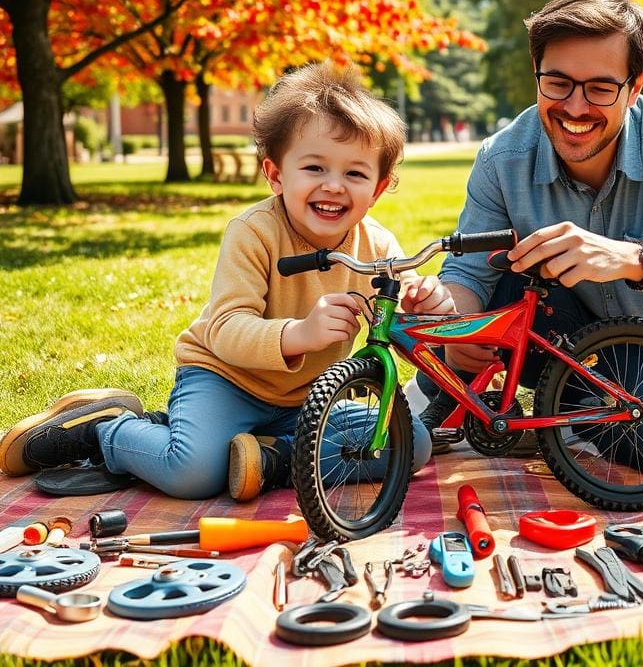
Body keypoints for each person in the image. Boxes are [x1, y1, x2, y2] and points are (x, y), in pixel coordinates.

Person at [0, 62, 453, 500]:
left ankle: (271, 458)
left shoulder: (377, 244)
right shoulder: (254, 231)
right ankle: (106, 429)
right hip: (225, 378)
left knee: (411, 444)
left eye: (354, 173)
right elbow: (225, 329)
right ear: (276, 175)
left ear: (376, 189)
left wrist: (425, 304)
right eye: (315, 168)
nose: (334, 185)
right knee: (192, 473)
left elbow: (399, 327)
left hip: (307, 400)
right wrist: (301, 334)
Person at [415, 0, 643, 471]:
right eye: (557, 83)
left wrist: (633, 261)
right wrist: (454, 325)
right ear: (536, 76)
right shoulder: (502, 157)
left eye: (600, 88)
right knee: (453, 340)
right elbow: (470, 280)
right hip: (557, 330)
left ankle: (560, 415)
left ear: (635, 86)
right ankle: (544, 409)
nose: (575, 108)